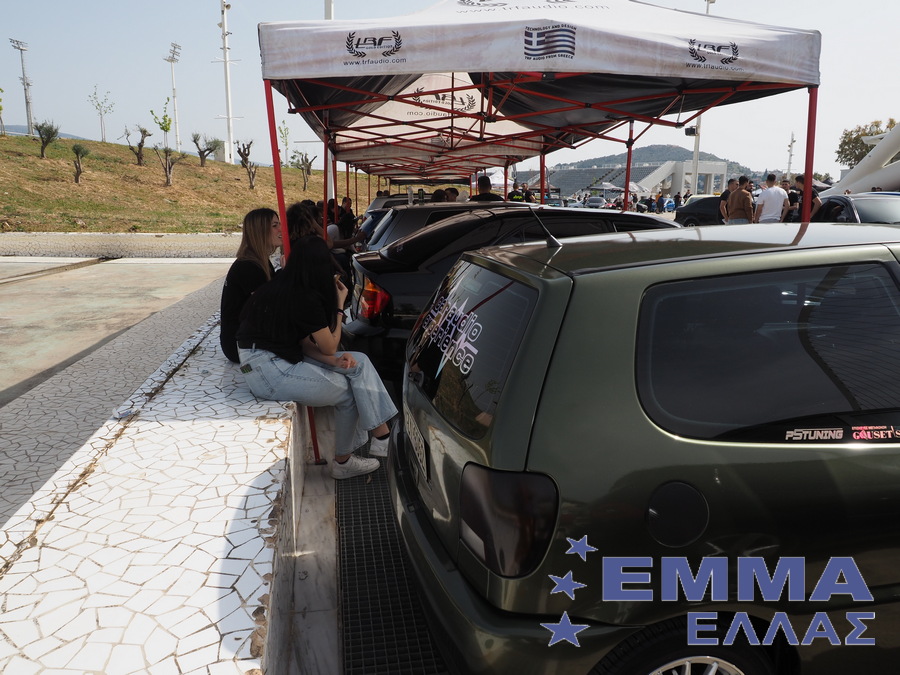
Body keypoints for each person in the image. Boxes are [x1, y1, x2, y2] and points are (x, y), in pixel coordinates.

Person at [236, 236, 398, 480]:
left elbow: (304, 344)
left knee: (360, 362)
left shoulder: (286, 284)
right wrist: (339, 306)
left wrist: (334, 363)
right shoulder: (305, 297)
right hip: (266, 369)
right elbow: (330, 346)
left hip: (275, 358)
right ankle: (345, 461)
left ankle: (381, 438)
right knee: (348, 392)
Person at [220, 208, 281, 363]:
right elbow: (270, 308)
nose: (281, 229)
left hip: (248, 339)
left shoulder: (260, 261)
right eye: (275, 226)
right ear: (260, 231)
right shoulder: (248, 266)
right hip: (241, 346)